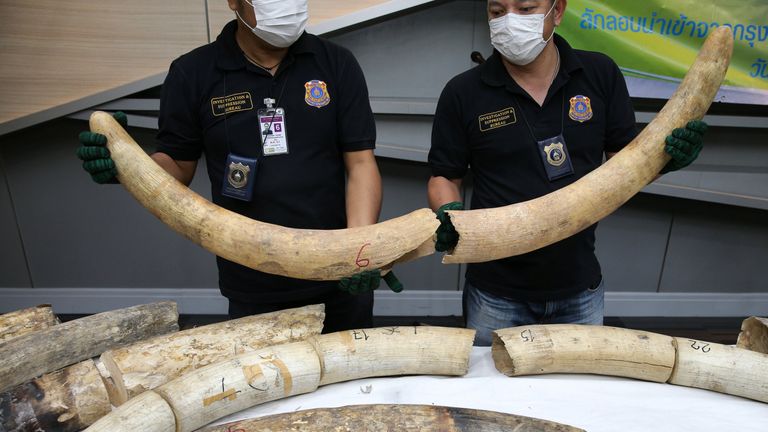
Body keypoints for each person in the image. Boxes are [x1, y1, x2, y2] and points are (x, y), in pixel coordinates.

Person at [77, 0, 401, 332]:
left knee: (354, 378)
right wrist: (125, 164)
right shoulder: (194, 73)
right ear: (233, 2)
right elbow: (176, 164)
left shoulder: (335, 63)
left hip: (338, 274)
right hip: (252, 278)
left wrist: (359, 249)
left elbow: (361, 163)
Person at [427, 0, 707, 345]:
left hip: (580, 289)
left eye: (526, 8)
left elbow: (627, 165)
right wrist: (448, 214)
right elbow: (443, 176)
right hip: (495, 294)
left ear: (557, 11)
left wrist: (665, 160)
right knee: (492, 393)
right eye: (498, 12)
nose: (510, 21)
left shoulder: (599, 74)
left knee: (578, 394)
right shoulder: (462, 92)